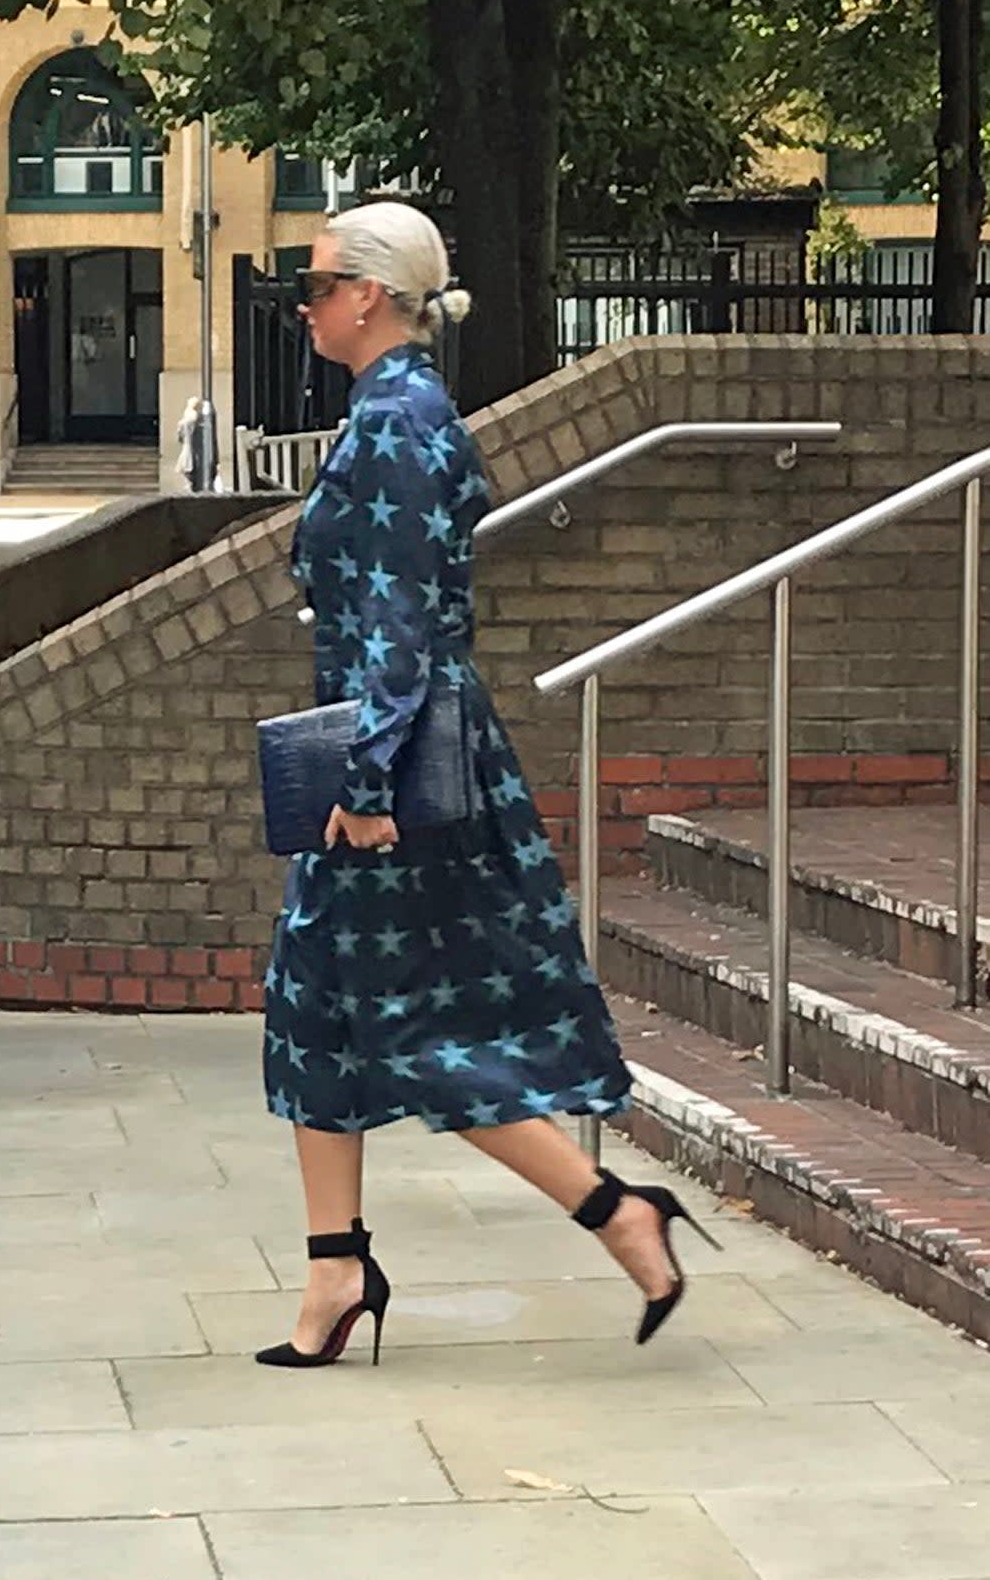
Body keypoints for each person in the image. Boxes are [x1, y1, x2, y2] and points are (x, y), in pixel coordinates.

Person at [258, 201, 717, 1371]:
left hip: (399, 777)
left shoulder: (403, 424)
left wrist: (364, 784)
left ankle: (616, 1211)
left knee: (417, 1031)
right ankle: (334, 1268)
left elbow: (401, 628)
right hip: (383, 760)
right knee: (317, 1012)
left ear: (368, 296)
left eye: (311, 286)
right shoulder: (384, 414)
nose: (302, 305)